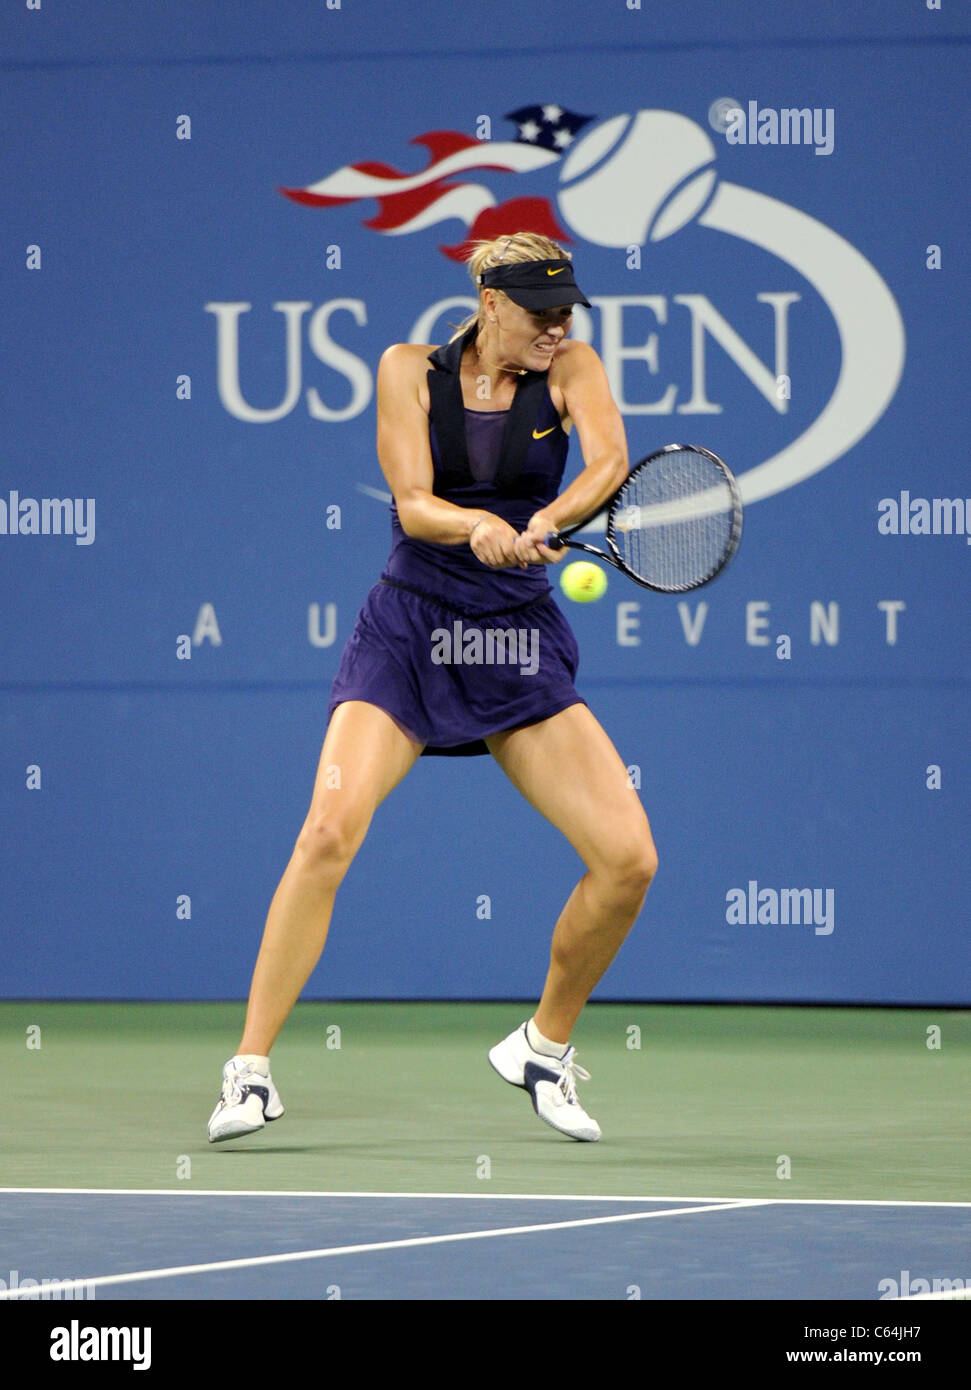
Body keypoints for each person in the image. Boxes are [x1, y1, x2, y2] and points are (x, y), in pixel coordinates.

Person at [207, 232, 658, 1145]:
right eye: (539, 311)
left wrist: (548, 518)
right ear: (490, 302)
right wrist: (472, 527)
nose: (556, 325)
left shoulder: (573, 366)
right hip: (410, 630)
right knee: (327, 831)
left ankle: (542, 1046)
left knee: (628, 860)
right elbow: (413, 502)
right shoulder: (407, 368)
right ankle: (249, 1071)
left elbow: (608, 462)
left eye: (566, 309)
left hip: (514, 639)